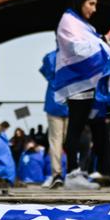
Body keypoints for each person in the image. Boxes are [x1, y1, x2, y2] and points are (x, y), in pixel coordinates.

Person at [52, 0, 110, 191]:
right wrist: (102, 45)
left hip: (89, 85)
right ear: (81, 2)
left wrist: (102, 43)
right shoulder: (68, 22)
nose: (94, 9)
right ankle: (72, 172)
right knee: (76, 128)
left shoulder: (81, 24)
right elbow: (76, 49)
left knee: (98, 127)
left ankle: (106, 171)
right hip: (78, 85)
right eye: (91, 4)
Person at [39, 49, 68, 187]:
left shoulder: (49, 57)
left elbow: (45, 73)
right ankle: (74, 171)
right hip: (70, 101)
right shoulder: (73, 56)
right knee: (71, 139)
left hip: (53, 101)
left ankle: (57, 174)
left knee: (55, 141)